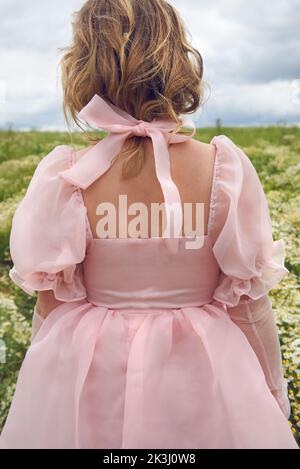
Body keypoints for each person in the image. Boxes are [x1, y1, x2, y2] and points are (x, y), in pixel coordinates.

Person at [0, 0, 298, 449]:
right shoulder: (223, 169)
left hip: (89, 369)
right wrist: (274, 396)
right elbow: (248, 307)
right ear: (179, 62)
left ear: (82, 69)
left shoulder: (68, 177)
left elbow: (50, 308)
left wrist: (39, 395)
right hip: (203, 369)